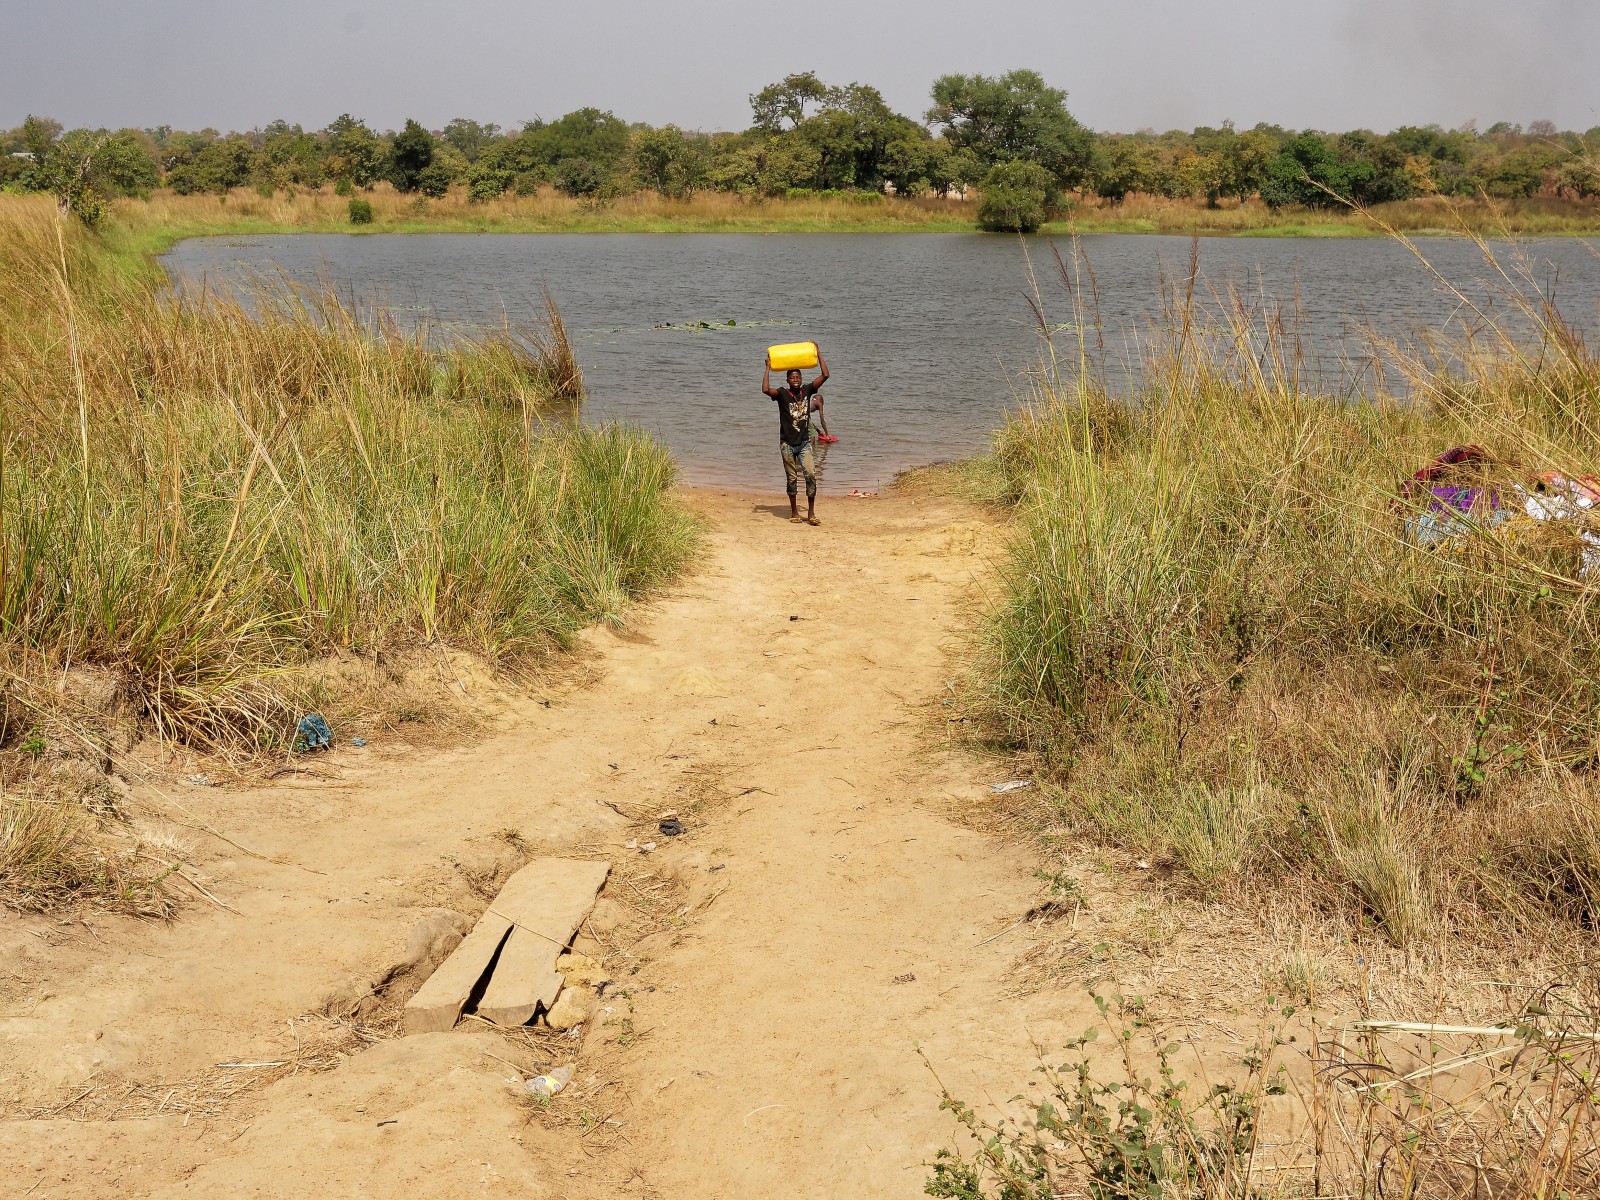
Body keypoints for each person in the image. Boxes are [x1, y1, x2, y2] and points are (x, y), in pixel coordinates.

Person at [762, 347, 830, 525]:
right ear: (787, 380)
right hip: (787, 444)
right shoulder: (782, 394)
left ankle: (811, 513)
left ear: (801, 379)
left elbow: (826, 375)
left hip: (804, 443)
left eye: (798, 377)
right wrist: (768, 367)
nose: (795, 380)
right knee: (792, 478)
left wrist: (818, 353)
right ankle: (794, 512)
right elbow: (765, 389)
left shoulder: (807, 390)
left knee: (810, 475)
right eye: (792, 377)